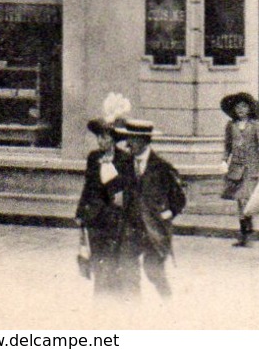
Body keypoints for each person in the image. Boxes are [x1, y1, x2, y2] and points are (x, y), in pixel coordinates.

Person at [108, 119, 186, 298]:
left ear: (144, 141)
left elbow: (179, 199)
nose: (128, 144)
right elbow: (113, 188)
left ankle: (168, 303)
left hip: (154, 229)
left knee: (154, 272)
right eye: (128, 139)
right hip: (130, 227)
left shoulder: (162, 167)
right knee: (128, 270)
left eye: (133, 140)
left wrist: (167, 214)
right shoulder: (124, 165)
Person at [74, 96, 128, 297]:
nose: (101, 141)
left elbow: (121, 190)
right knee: (97, 260)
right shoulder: (93, 157)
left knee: (113, 261)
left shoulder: (124, 160)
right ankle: (100, 298)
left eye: (105, 137)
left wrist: (110, 169)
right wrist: (80, 212)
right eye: (99, 137)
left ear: (114, 138)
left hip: (114, 217)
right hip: (95, 216)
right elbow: (88, 186)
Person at [219, 92, 259, 248]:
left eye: (244, 106)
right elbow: (227, 146)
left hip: (251, 167)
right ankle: (244, 233)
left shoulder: (256, 125)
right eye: (238, 107)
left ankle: (248, 232)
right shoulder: (230, 126)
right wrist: (224, 161)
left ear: (249, 108)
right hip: (236, 168)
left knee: (245, 199)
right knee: (240, 202)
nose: (240, 110)